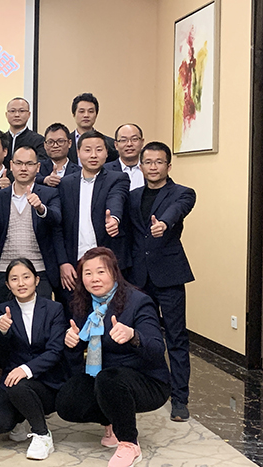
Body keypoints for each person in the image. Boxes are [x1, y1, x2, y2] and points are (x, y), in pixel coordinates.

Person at [56, 247, 170, 467]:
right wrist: (72, 344)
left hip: (147, 381)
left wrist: (133, 336)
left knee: (110, 379)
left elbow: (157, 349)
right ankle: (111, 419)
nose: (94, 279)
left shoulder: (139, 301)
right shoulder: (83, 303)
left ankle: (129, 443)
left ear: (114, 273)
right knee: (66, 401)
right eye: (88, 273)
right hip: (105, 380)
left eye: (101, 272)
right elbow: (75, 358)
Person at [128, 141, 196, 422]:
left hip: (169, 275)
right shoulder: (132, 196)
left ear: (168, 165)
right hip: (137, 277)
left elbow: (178, 210)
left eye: (159, 162)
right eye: (148, 162)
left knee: (176, 337)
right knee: (141, 336)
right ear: (141, 165)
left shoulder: (183, 193)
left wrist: (165, 223)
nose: (153, 167)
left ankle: (179, 399)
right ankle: (147, 388)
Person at [0, 258, 67, 460]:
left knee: (18, 384)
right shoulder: (3, 310)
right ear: (7, 285)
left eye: (26, 277)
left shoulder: (54, 309)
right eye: (14, 279)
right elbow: (1, 354)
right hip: (14, 380)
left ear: (36, 280)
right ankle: (23, 416)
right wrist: (2, 332)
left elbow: (55, 351)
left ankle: (42, 435)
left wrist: (26, 369)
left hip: (46, 381)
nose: (21, 283)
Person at [55, 130, 130, 308]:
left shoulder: (118, 178)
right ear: (78, 153)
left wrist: (114, 219)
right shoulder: (66, 183)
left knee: (112, 314)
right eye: (87, 150)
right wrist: (63, 262)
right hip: (74, 265)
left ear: (106, 152)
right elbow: (58, 226)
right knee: (76, 314)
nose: (93, 155)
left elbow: (116, 199)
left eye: (99, 149)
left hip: (107, 263)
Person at [0, 146, 61, 304]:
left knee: (40, 317)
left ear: (37, 167)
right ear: (11, 165)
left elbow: (57, 219)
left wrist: (41, 208)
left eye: (29, 164)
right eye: (19, 163)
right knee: (5, 317)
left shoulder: (49, 194)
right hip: (3, 272)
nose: (23, 168)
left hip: (38, 271)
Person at [67, 93, 118, 165]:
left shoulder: (110, 143)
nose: (86, 115)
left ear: (96, 115)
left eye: (90, 111)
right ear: (73, 114)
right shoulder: (65, 143)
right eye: (81, 111)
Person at [4, 97, 47, 166]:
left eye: (21, 111)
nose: (17, 115)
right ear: (6, 114)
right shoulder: (1, 140)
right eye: (12, 111)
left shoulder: (38, 140)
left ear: (29, 114)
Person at [37, 122, 80, 187]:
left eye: (60, 141)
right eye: (50, 142)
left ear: (69, 143)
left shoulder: (79, 171)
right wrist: (45, 180)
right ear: (45, 145)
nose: (55, 145)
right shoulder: (37, 167)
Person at [104, 124, 145, 191]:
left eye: (134, 139)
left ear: (142, 142)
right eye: (123, 140)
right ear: (116, 145)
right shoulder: (105, 170)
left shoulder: (150, 169)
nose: (129, 144)